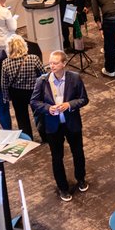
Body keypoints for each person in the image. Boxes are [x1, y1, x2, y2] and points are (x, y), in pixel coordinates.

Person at [31, 50, 89, 201]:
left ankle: (81, 179)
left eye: (55, 63)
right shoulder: (42, 81)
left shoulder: (74, 78)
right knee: (57, 158)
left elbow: (84, 99)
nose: (52, 66)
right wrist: (47, 108)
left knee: (78, 152)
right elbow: (34, 102)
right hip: (53, 126)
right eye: (50, 63)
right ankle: (63, 188)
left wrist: (69, 105)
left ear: (64, 63)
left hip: (72, 123)